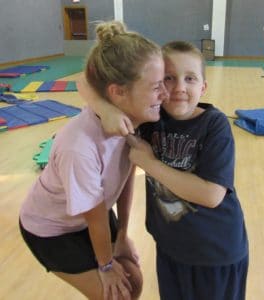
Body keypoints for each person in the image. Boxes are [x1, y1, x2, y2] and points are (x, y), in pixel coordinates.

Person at [79, 41, 249, 300]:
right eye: (169, 78)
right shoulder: (151, 119)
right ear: (157, 86)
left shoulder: (215, 125)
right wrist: (105, 109)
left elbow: (212, 195)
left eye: (190, 78)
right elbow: (86, 80)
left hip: (216, 254)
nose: (180, 88)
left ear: (203, 87)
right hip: (170, 249)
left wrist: (149, 163)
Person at [19, 20, 167, 300]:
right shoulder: (80, 148)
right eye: (156, 86)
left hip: (90, 215)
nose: (166, 94)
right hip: (51, 230)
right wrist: (107, 264)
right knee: (117, 293)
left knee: (132, 281)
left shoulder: (133, 119)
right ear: (118, 92)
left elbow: (124, 178)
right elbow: (95, 216)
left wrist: (123, 233)